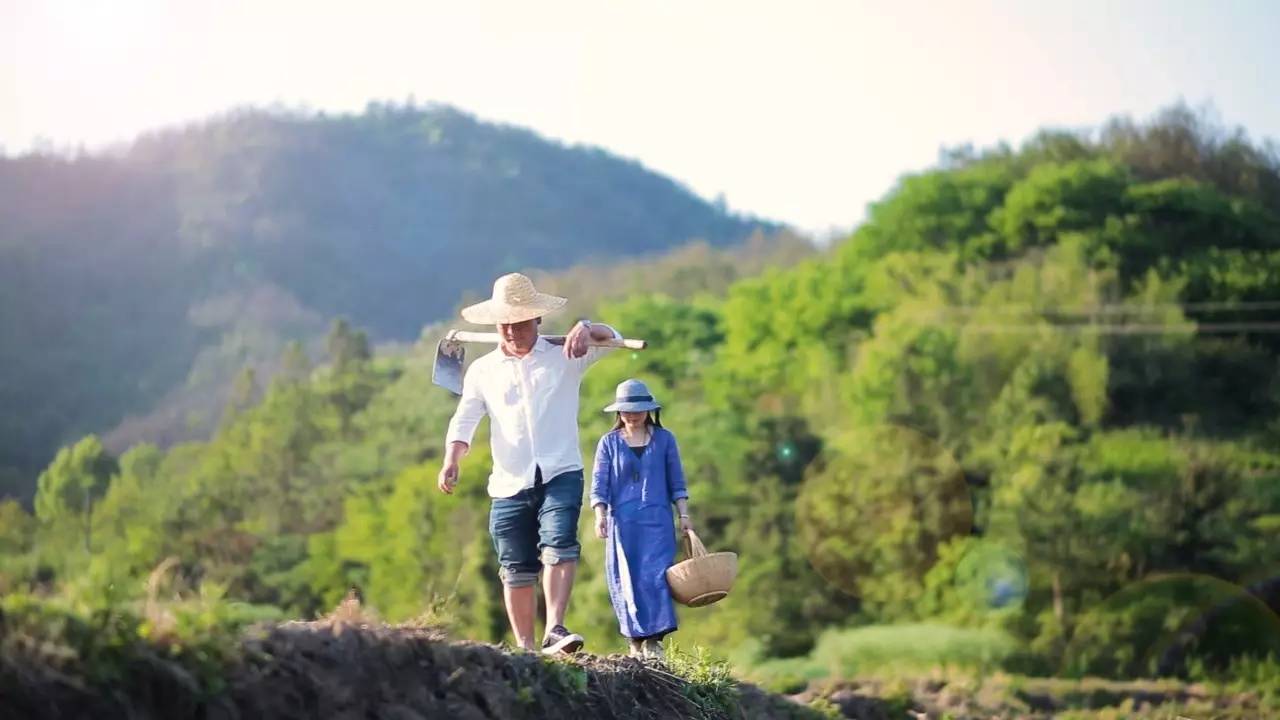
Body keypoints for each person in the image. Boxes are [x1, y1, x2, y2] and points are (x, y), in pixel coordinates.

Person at [438, 272, 621, 654]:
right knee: (515, 565)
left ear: (537, 320)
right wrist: (452, 457)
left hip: (560, 469)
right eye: (504, 324)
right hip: (508, 478)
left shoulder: (565, 355)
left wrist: (587, 327)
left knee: (559, 544)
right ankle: (525, 647)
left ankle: (555, 627)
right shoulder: (484, 370)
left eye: (519, 323)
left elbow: (614, 339)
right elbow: (466, 417)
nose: (511, 332)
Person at [590, 378, 692, 660]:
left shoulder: (665, 440)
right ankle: (634, 639)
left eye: (637, 409)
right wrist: (600, 515)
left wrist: (684, 515)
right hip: (622, 523)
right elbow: (599, 484)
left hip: (657, 521)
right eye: (626, 410)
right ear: (618, 412)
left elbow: (677, 481)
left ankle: (654, 640)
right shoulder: (608, 443)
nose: (632, 415)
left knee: (656, 576)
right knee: (626, 578)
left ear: (649, 410)